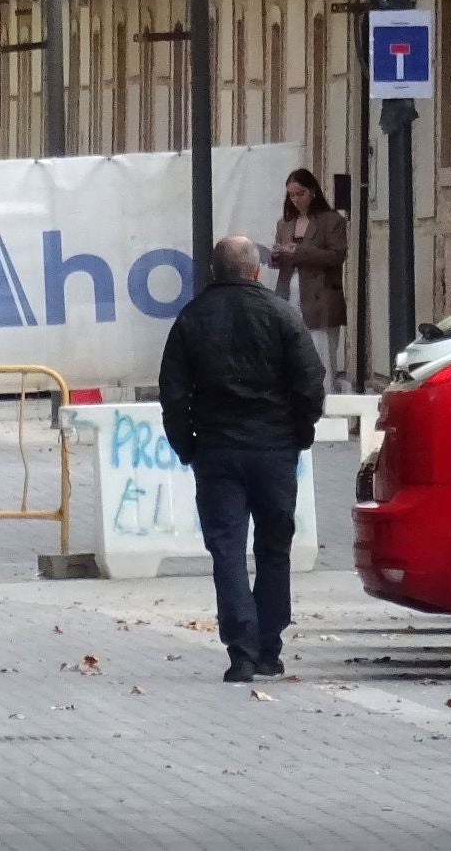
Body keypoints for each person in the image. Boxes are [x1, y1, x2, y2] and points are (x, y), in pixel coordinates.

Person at [159, 236, 325, 683]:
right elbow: (310, 381)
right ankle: (269, 645)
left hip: (216, 452)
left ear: (214, 272)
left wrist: (186, 445)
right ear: (256, 271)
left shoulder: (192, 319)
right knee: (274, 547)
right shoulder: (282, 315)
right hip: (274, 450)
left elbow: (173, 393)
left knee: (226, 550)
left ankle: (241, 651)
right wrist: (301, 433)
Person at [269, 168, 347, 393]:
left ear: (312, 191)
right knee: (290, 351)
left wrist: (300, 251)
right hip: (289, 292)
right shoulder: (284, 224)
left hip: (319, 296)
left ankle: (325, 402)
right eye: (291, 195)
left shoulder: (331, 221)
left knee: (321, 352)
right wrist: (276, 254)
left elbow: (337, 256)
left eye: (300, 193)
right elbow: (280, 261)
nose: (295, 200)